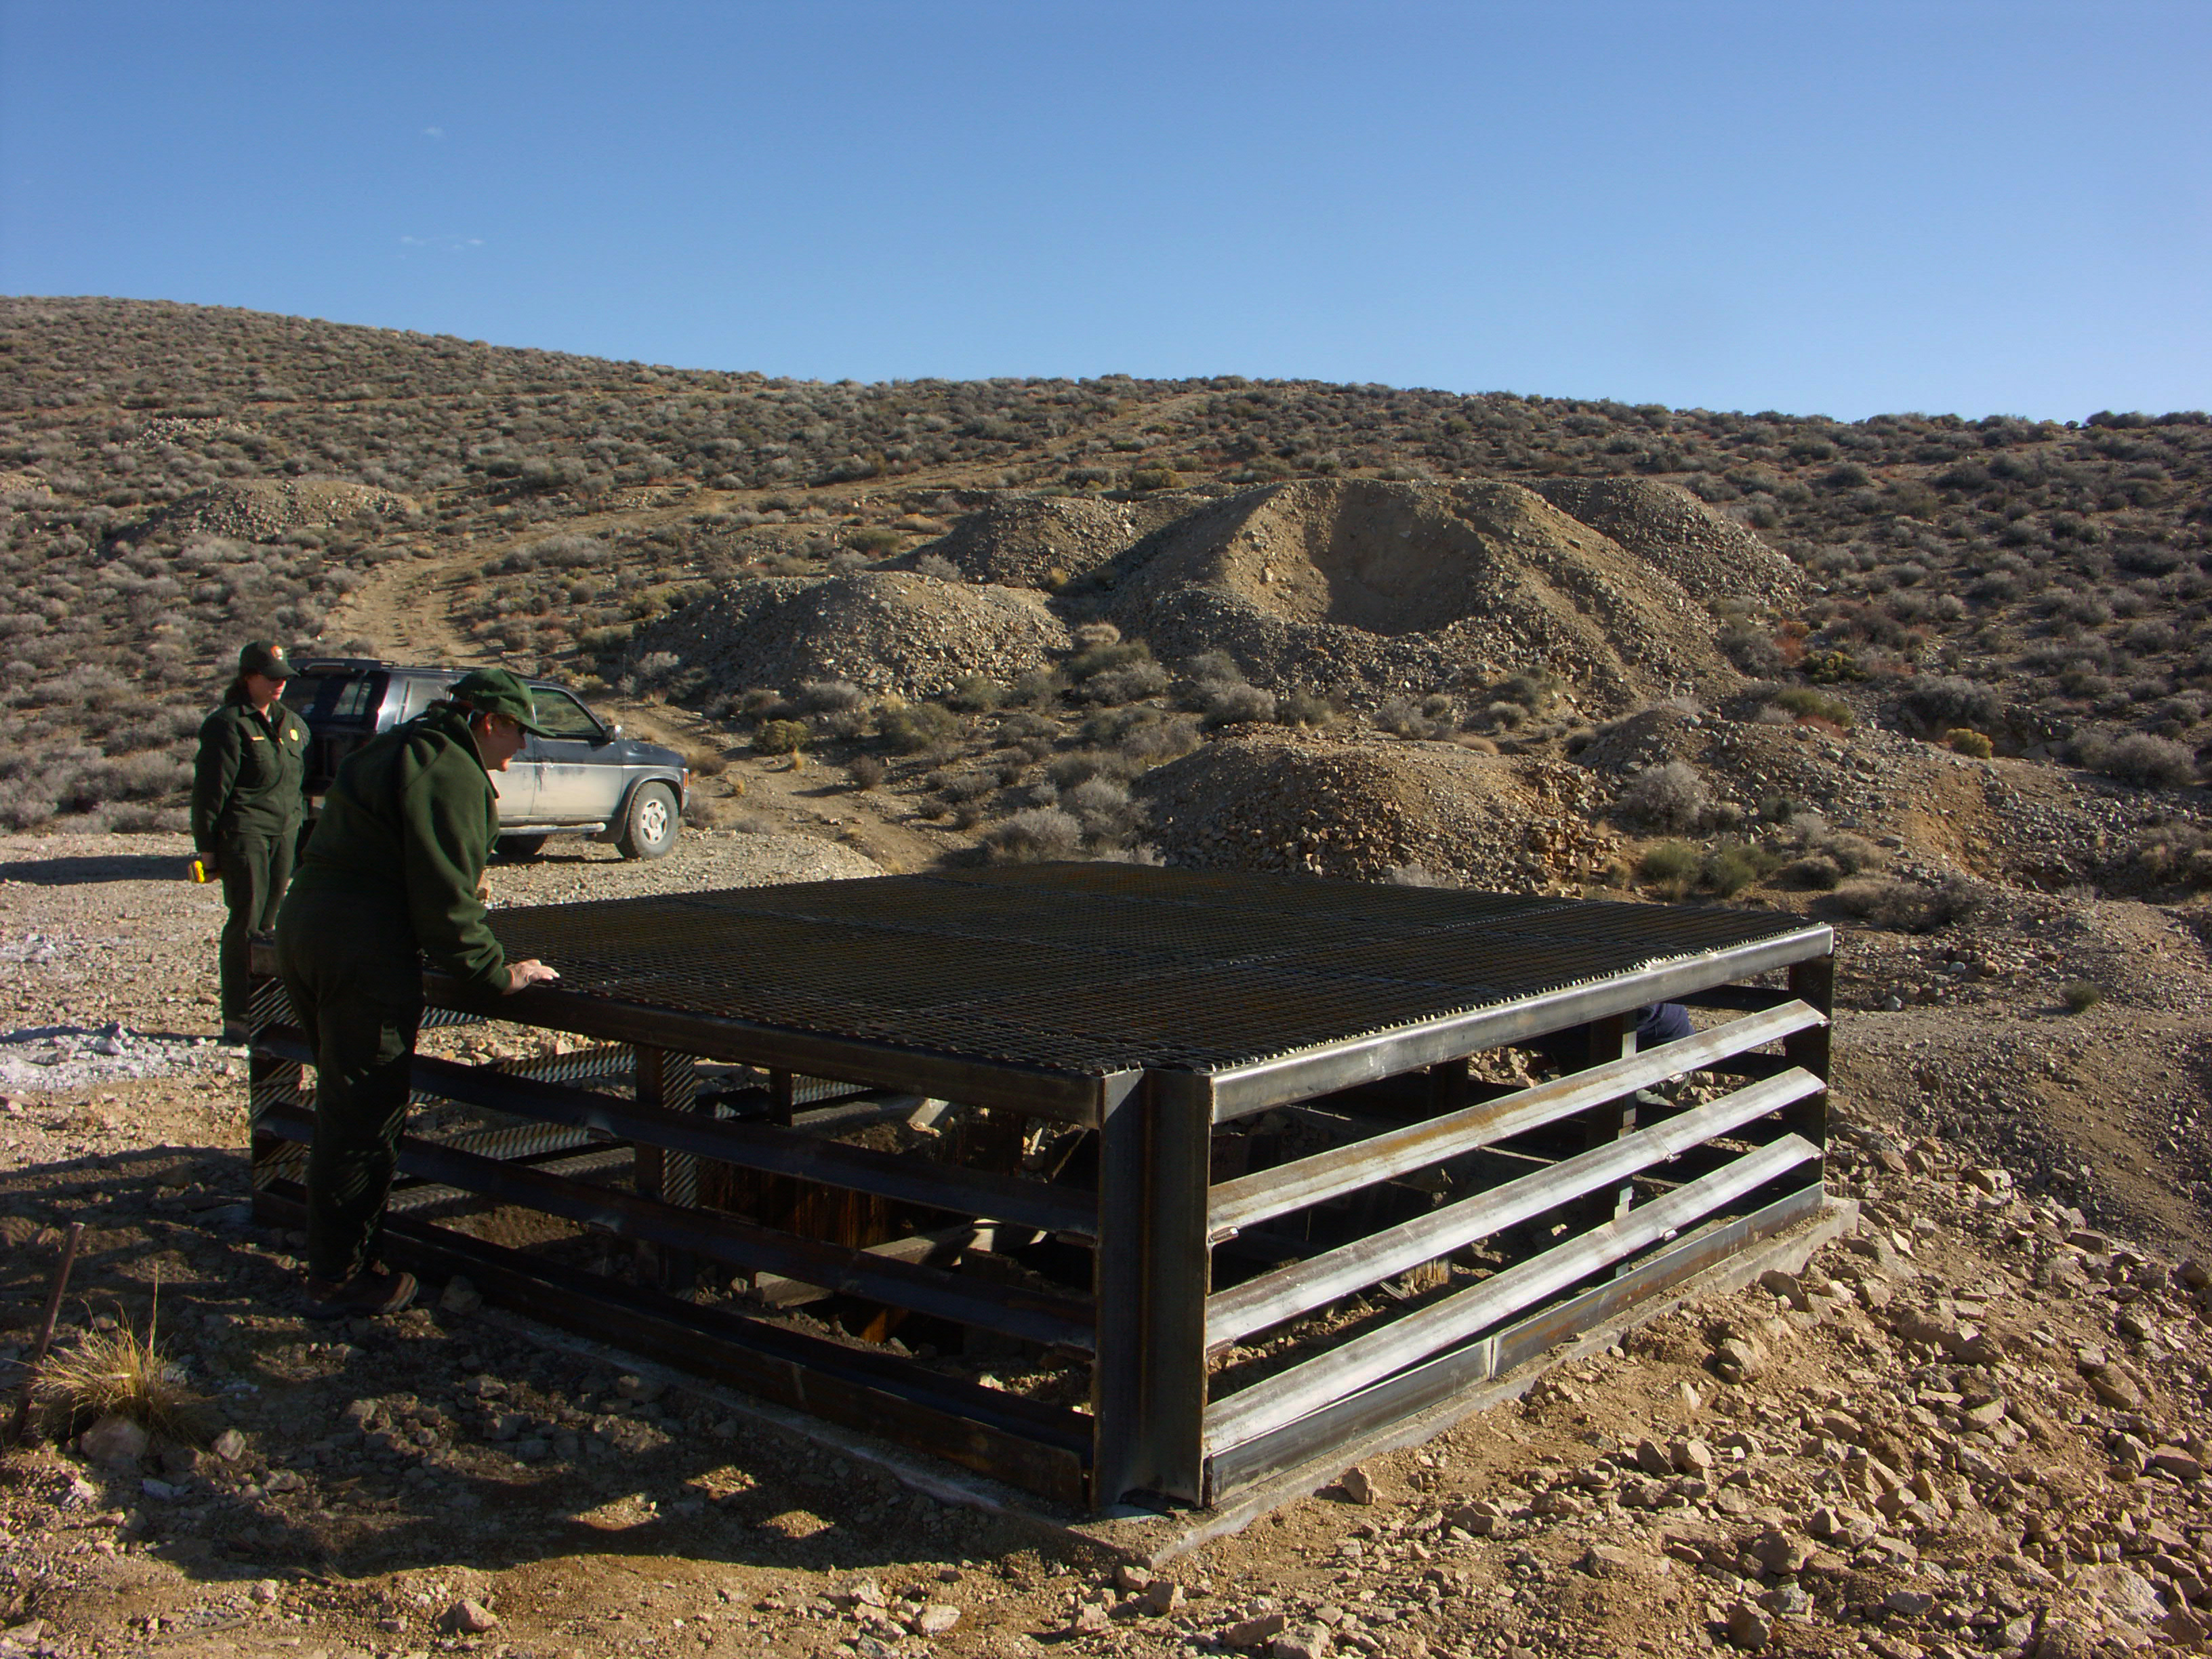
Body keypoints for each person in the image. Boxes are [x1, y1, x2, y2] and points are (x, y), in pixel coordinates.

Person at [274, 668, 560, 1318]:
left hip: (307, 927)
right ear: (488, 721)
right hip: (361, 946)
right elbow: (445, 906)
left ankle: (334, 1250)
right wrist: (497, 973)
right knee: (365, 1114)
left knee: (343, 1102)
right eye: (518, 733)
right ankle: (342, 1278)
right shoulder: (451, 771)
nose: (520, 751)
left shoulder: (395, 747)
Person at [192, 641, 310, 1042]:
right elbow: (210, 792)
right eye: (271, 677)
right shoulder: (228, 724)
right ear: (248, 679)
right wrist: (207, 849)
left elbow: (298, 783)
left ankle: (269, 1010)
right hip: (244, 832)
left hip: (285, 829)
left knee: (272, 922)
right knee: (247, 920)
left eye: (284, 678)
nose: (280, 684)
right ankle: (240, 1017)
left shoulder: (293, 722)